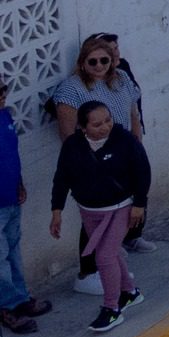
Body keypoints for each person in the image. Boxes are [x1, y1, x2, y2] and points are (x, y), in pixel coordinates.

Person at [52, 36, 149, 286]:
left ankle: (113, 268)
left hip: (123, 156)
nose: (99, 66)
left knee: (120, 212)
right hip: (94, 163)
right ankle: (89, 272)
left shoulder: (122, 79)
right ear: (82, 62)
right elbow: (68, 135)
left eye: (104, 60)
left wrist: (137, 146)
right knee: (94, 221)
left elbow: (132, 114)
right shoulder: (70, 90)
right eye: (92, 61)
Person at [49, 99, 149, 333]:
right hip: (89, 211)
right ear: (83, 128)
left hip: (120, 208)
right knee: (111, 254)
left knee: (104, 257)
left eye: (107, 121)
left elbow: (142, 171)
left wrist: (139, 205)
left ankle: (111, 308)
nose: (104, 127)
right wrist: (57, 211)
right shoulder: (73, 145)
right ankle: (130, 292)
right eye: (96, 124)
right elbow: (62, 177)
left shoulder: (124, 141)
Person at [0, 80, 53, 335]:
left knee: (13, 252)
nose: (2, 96)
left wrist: (19, 183)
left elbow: (11, 154)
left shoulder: (5, 116)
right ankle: (7, 306)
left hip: (10, 199)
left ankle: (21, 297)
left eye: (2, 90)